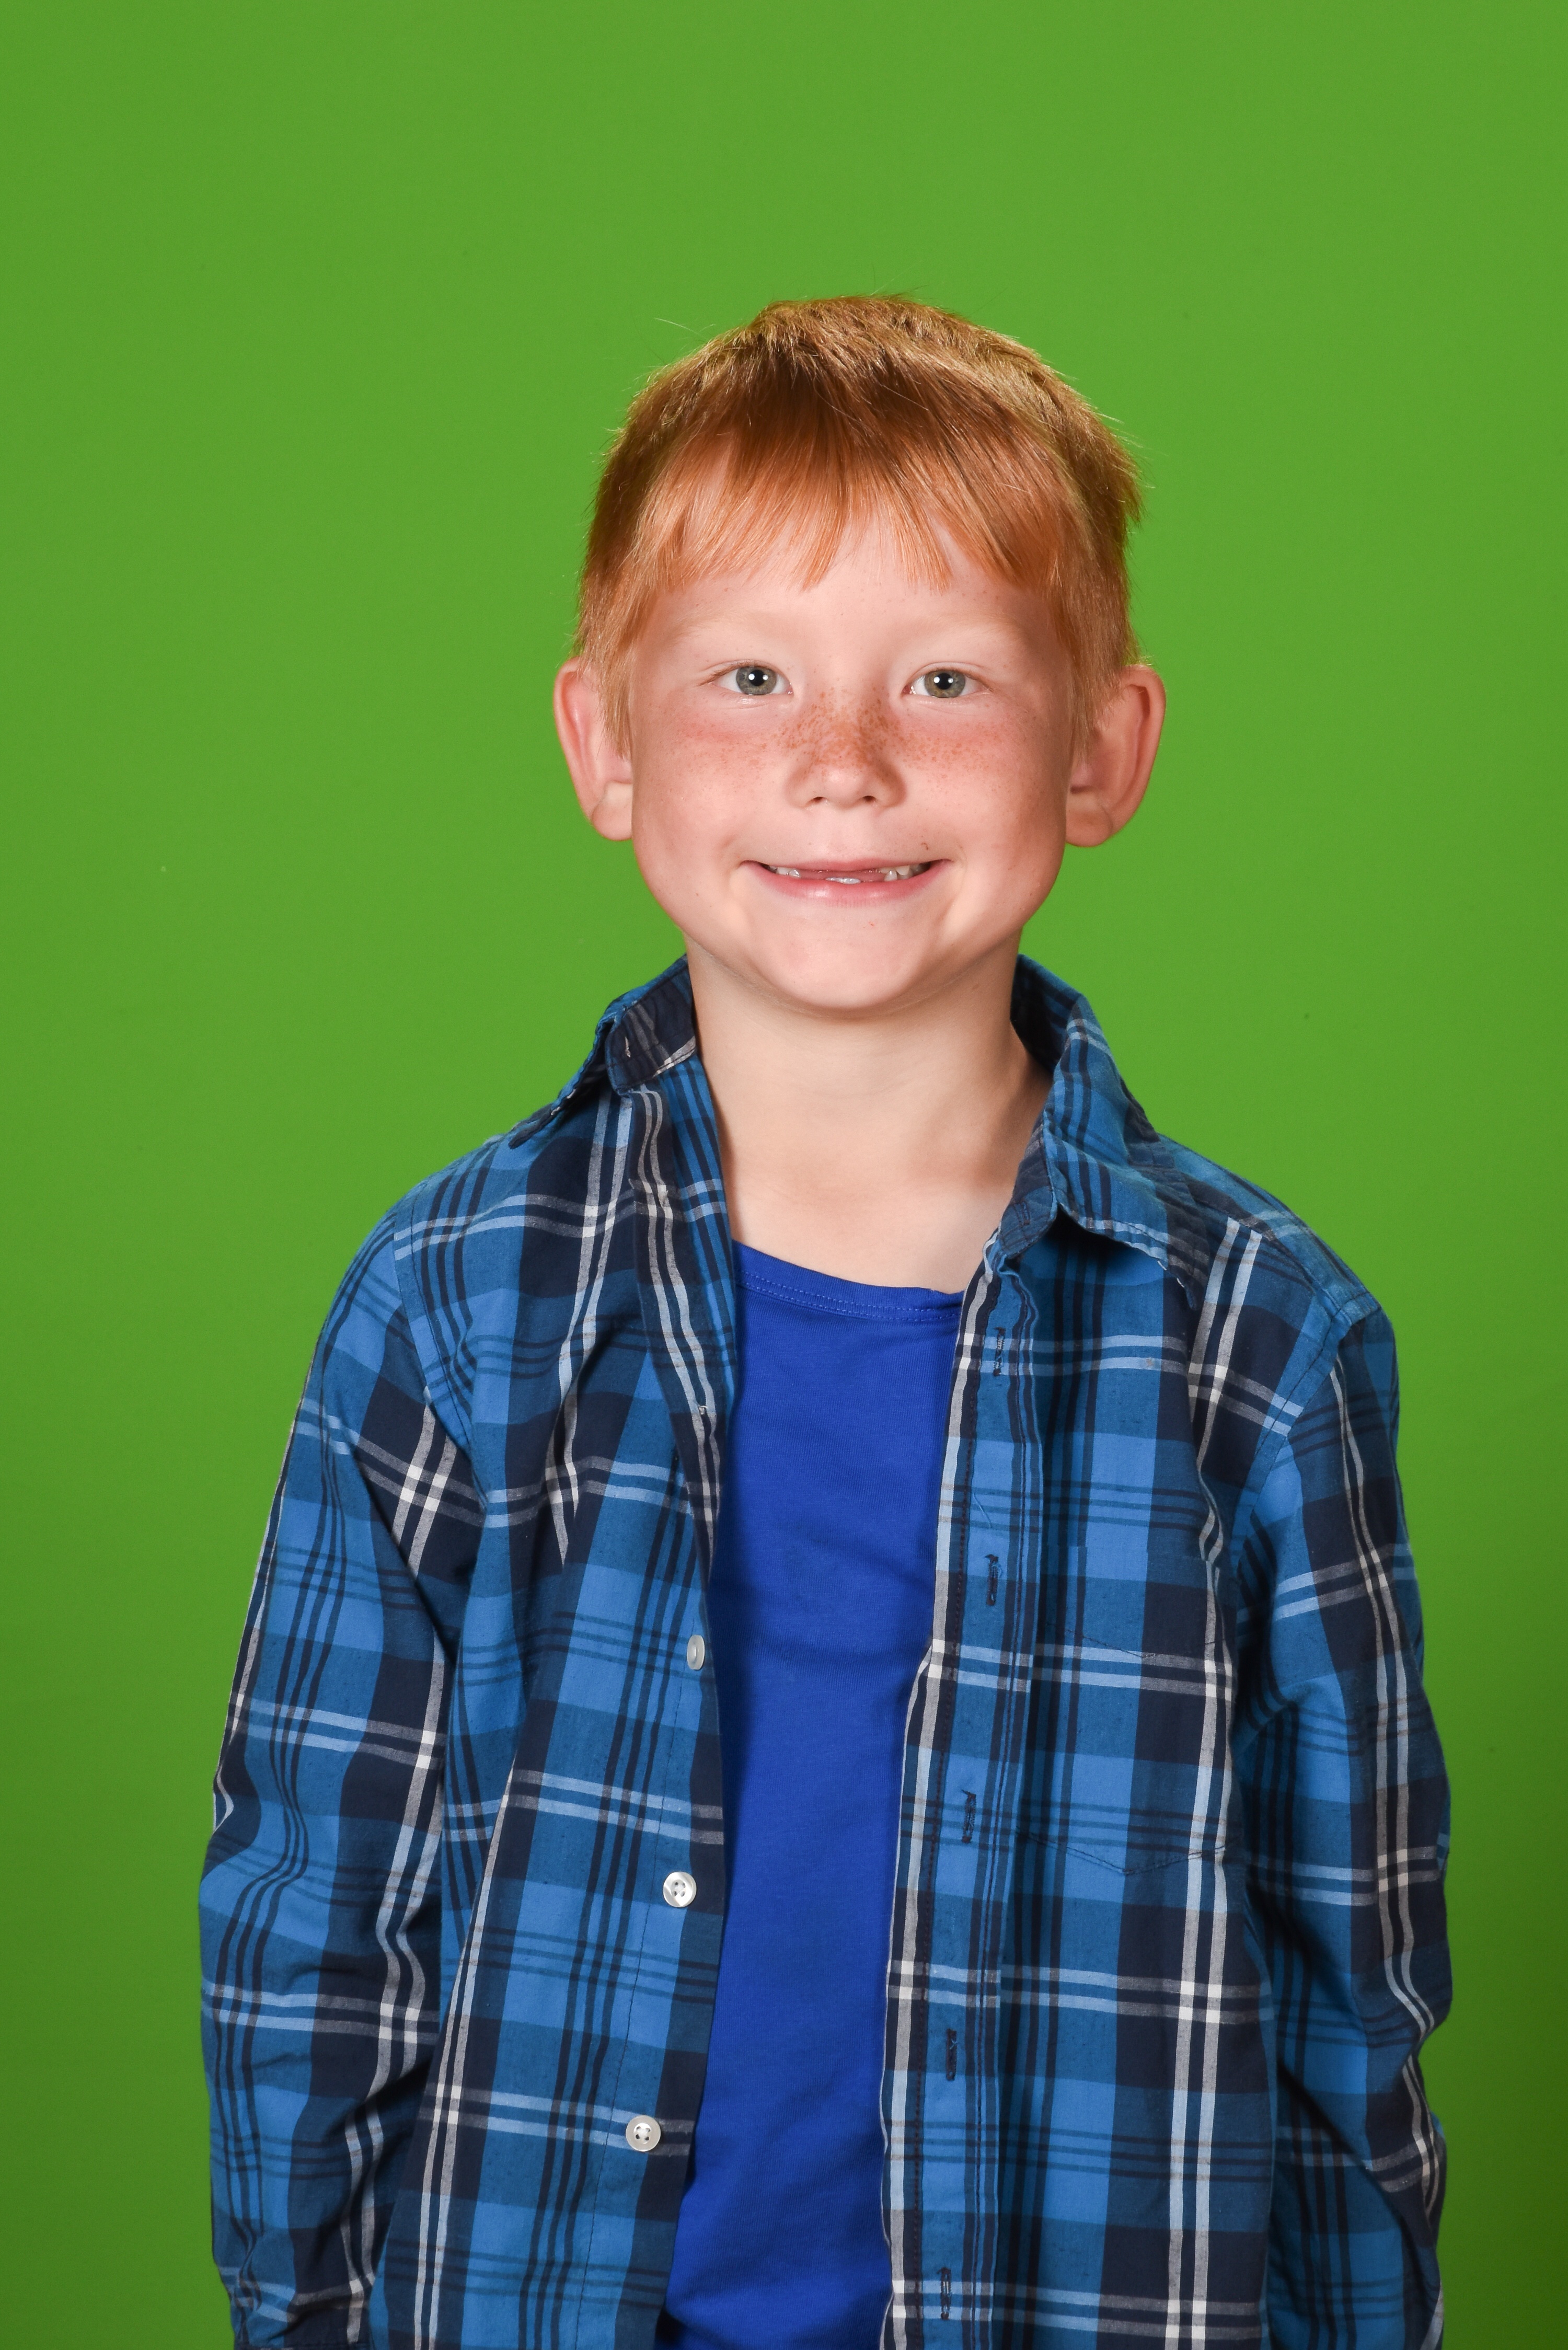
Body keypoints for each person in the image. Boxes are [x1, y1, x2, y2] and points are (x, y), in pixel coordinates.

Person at [201, 296, 1450, 2350]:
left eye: (945, 676)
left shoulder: (1261, 1343)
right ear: (605, 745)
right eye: (750, 675)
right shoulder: (457, 1305)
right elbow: (309, 1925)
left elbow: (1350, 1975)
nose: (844, 761)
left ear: (1103, 746)